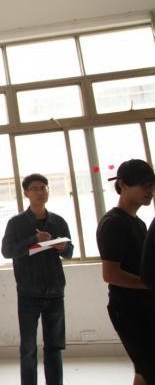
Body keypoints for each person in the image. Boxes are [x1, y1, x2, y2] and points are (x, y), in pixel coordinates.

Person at [1, 173, 73, 385]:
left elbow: (69, 252)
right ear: (26, 193)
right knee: (28, 348)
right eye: (35, 188)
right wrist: (34, 239)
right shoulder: (16, 223)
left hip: (55, 291)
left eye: (44, 188)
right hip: (28, 293)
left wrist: (63, 247)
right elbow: (7, 251)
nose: (40, 192)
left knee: (54, 347)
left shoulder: (58, 221)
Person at [97, 159, 155, 385]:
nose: (150, 191)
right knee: (149, 369)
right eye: (144, 185)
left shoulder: (138, 223)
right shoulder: (114, 223)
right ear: (123, 185)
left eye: (152, 186)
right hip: (129, 310)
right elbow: (110, 274)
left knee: (145, 371)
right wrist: (149, 283)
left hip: (144, 306)